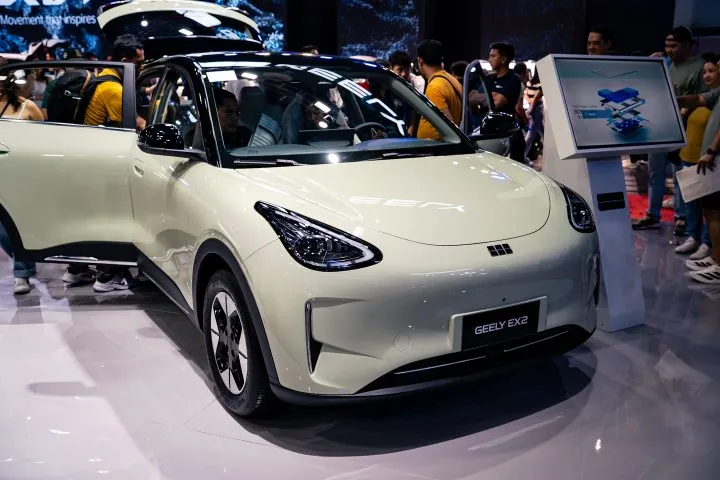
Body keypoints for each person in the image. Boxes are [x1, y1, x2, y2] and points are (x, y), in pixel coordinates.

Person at [62, 34, 146, 292]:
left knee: (88, 218)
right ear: (126, 61)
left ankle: (77, 269)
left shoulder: (101, 79)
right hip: (101, 164)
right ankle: (108, 276)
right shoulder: (113, 89)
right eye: (139, 63)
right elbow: (138, 125)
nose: (142, 67)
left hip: (85, 158)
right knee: (111, 218)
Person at [633, 27, 706, 233]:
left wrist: (682, 114)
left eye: (673, 46)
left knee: (678, 175)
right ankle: (652, 214)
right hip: (659, 127)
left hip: (683, 129)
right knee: (655, 172)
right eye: (667, 46)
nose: (669, 50)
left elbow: (702, 99)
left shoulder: (699, 67)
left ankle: (681, 217)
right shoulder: (665, 64)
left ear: (686, 45)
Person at [0, 73, 42, 294]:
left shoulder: (28, 106)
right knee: (2, 231)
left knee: (17, 225)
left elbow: (46, 138)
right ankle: (25, 259)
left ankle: (21, 272)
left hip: (21, 175)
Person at [674, 53, 719, 260]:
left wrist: (711, 151)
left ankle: (712, 254)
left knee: (713, 211)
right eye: (705, 72)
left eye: (713, 70)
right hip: (696, 156)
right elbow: (698, 99)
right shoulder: (714, 95)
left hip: (712, 159)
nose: (707, 75)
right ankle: (699, 242)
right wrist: (674, 99)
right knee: (700, 205)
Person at [415, 39, 462, 140]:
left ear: (420, 60)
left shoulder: (434, 87)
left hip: (435, 147)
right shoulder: (451, 79)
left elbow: (449, 129)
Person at [524, 67, 544, 165]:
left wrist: (530, 103)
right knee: (531, 133)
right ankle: (523, 155)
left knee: (541, 130)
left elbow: (526, 94)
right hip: (536, 109)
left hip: (531, 107)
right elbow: (536, 98)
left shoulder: (529, 83)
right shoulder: (541, 84)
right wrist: (531, 107)